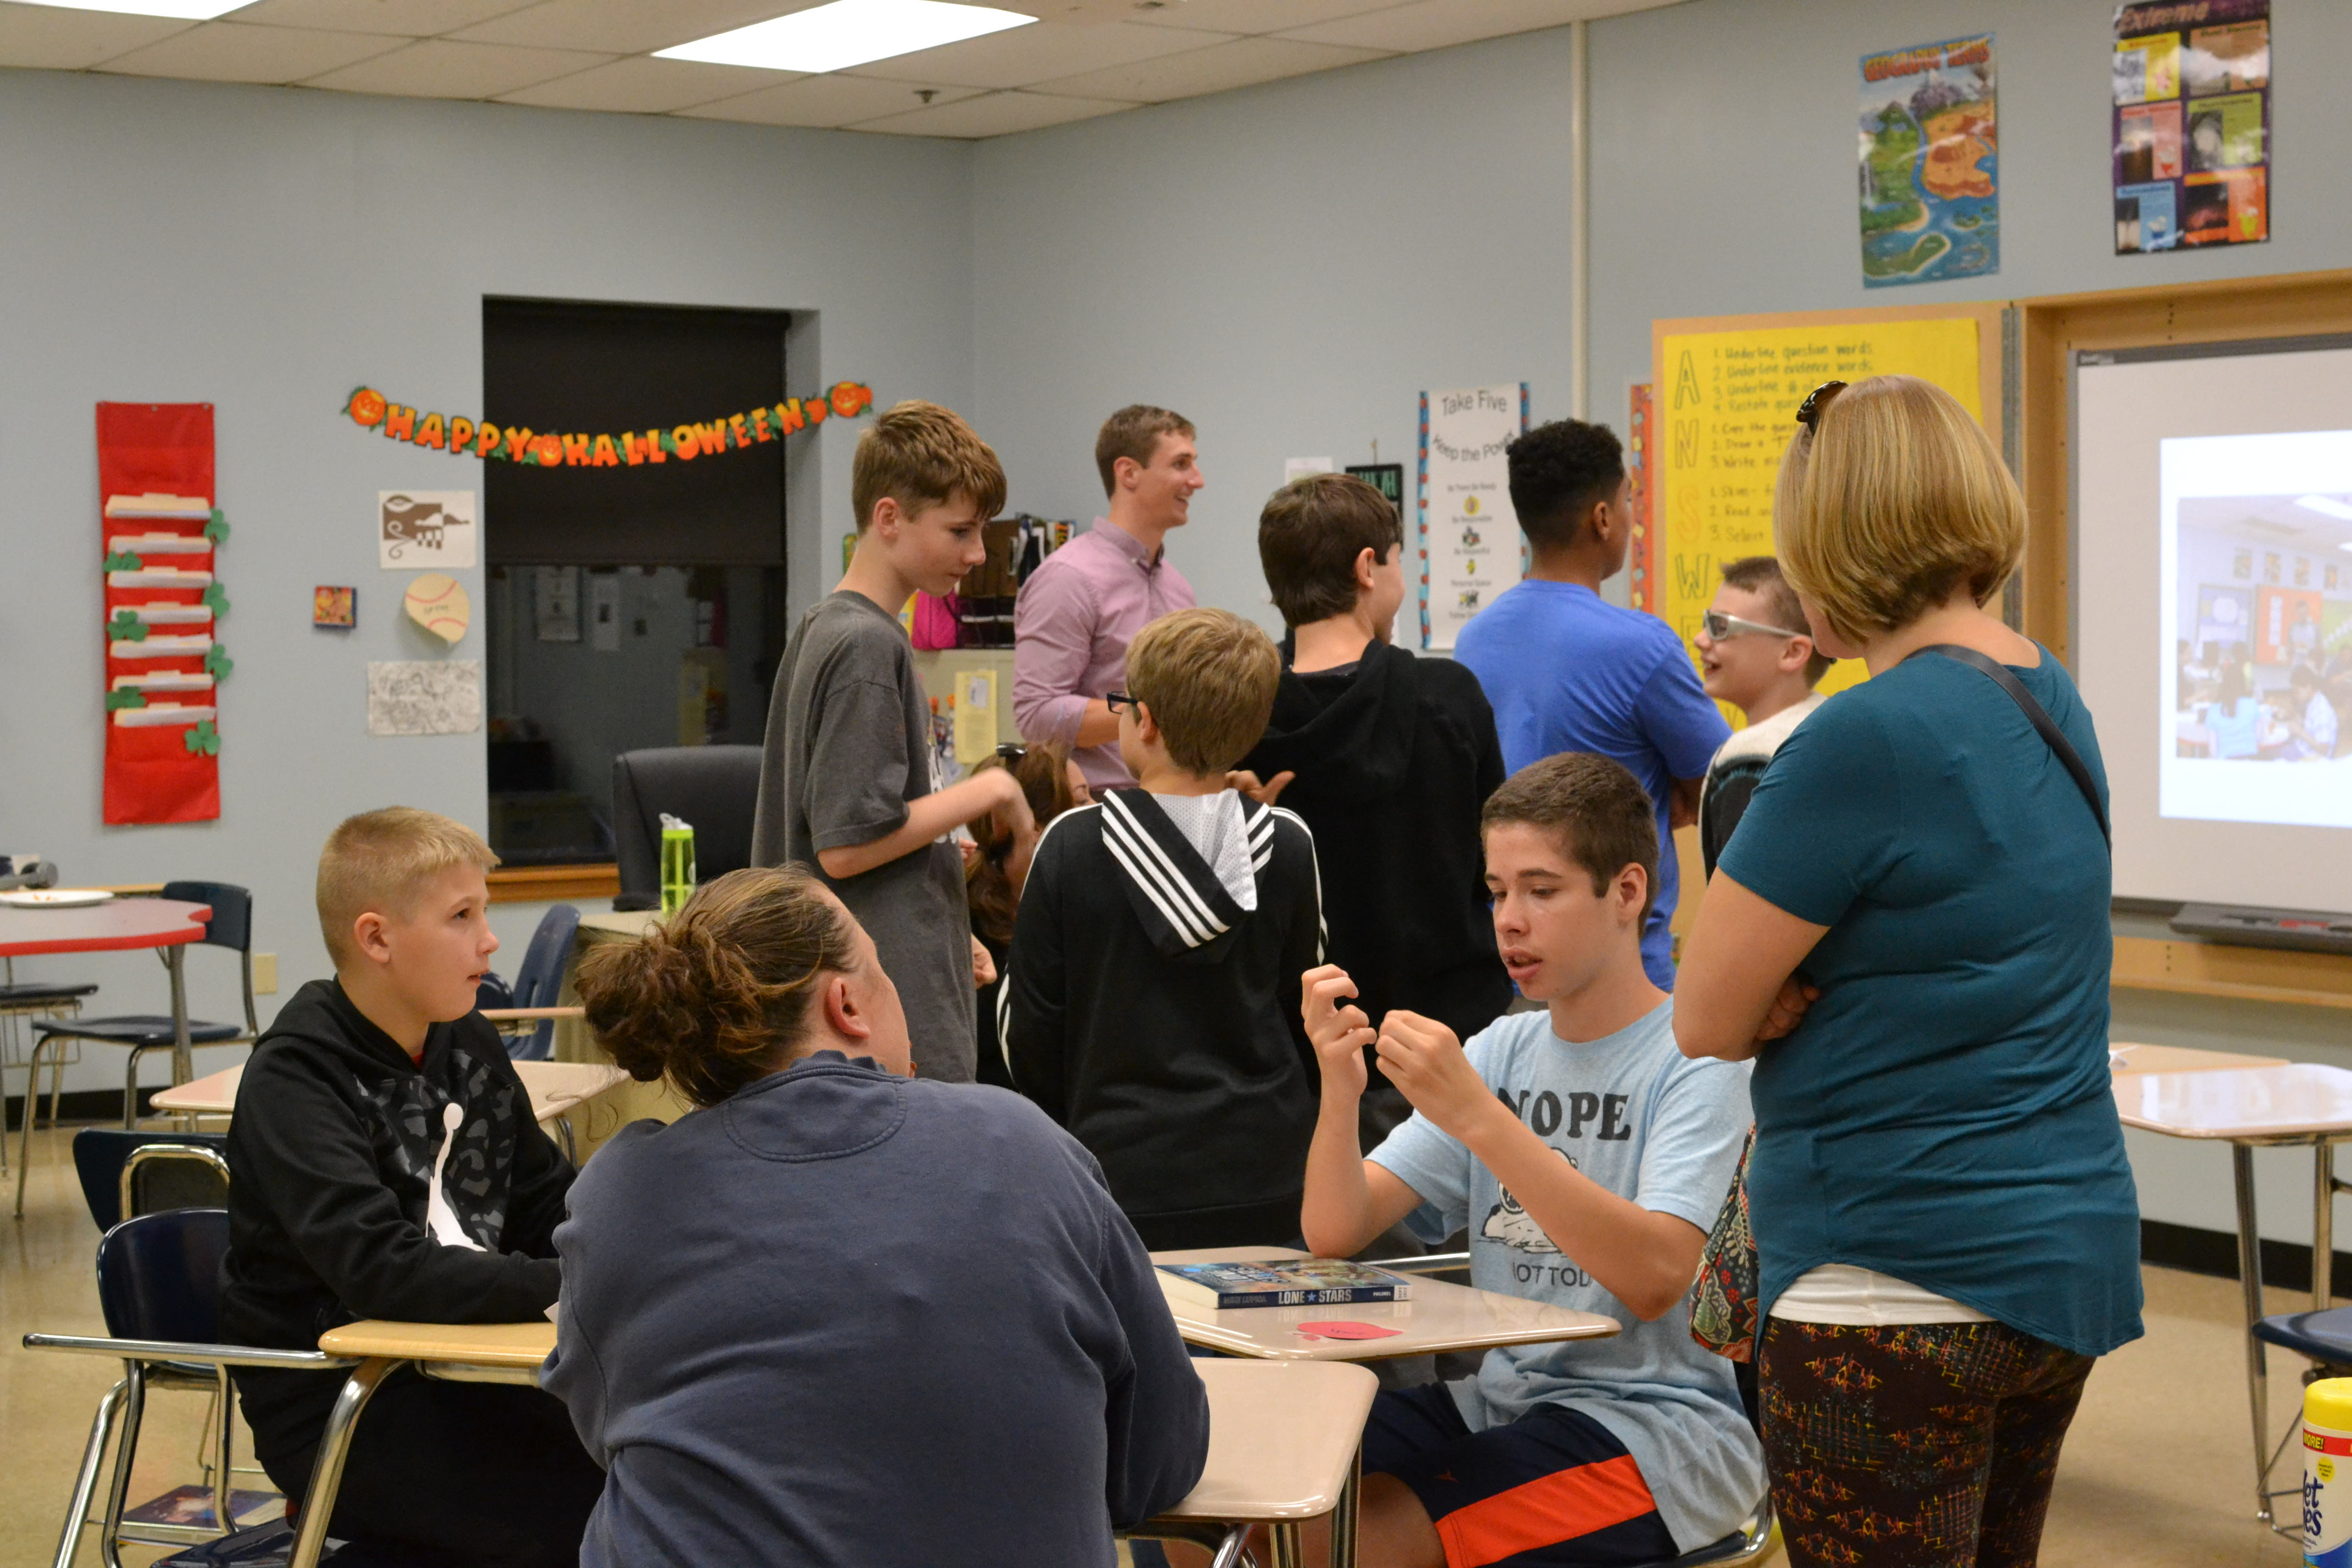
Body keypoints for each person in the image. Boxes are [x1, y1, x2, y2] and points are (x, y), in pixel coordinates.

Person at [1674, 375, 2143, 1565]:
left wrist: (1777, 995)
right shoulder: (2046, 691)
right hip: (2059, 1251)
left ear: (1826, 543)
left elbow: (1703, 1016)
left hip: (1887, 1274)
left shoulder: (1858, 733)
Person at [550, 865, 1209, 1568]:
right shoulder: (1021, 1145)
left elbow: (608, 1430)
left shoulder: (622, 1191)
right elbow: (1159, 1456)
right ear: (848, 1005)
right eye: (883, 967)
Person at [1298, 753, 1762, 1566]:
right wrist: (1339, 1091)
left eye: (1541, 891)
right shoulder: (1505, 1046)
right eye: (1497, 892)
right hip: (1502, 1401)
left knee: (1357, 1543)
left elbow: (1656, 1275)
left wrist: (1482, 1119)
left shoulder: (1698, 1056)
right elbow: (1335, 1227)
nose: (1509, 920)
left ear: (1626, 893)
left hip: (1657, 1431)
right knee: (1229, 1490)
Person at [218, 808, 601, 1568]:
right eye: (462, 916)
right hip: (343, 1404)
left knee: (658, 1462)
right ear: (376, 938)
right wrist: (575, 1281)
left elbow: (547, 1205)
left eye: (483, 912)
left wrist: (625, 1247)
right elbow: (381, 1271)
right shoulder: (296, 1077)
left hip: (470, 1370)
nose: (490, 940)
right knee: (573, 1517)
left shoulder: (467, 1039)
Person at [1004, 607, 1323, 1250]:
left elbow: (1028, 1034)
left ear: (1143, 721)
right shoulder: (1287, 844)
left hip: (1117, 1175)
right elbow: (1310, 1021)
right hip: (1269, 1173)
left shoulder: (1073, 844)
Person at [751, 400, 1033, 1083]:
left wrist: (944, 927)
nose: (976, 554)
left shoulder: (829, 627)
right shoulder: (865, 645)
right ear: (888, 518)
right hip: (870, 1007)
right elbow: (847, 846)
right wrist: (989, 790)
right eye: (959, 531)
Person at [1239, 472, 1510, 1146]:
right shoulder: (1447, 698)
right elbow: (1495, 865)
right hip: (1448, 1043)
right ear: (1368, 567)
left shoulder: (1242, 717)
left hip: (1303, 1053)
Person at [1454, 419, 1729, 989]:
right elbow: (1718, 793)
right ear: (1603, 519)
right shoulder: (1642, 646)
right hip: (1624, 974)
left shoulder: (1473, 640)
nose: (1631, 516)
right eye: (1628, 500)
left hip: (1513, 963)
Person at [1013, 405, 1203, 791]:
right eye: (1181, 464)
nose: (1196, 480)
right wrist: (1140, 712)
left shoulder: (1179, 589)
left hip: (1172, 803)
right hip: (1094, 814)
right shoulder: (1068, 579)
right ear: (1129, 473)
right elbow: (1036, 714)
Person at [1692, 556, 1830, 877]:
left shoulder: (1750, 765)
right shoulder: (1829, 726)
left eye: (1721, 627)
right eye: (1707, 622)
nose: (1701, 640)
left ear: (1792, 652)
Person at [966, 740, 1090, 1088]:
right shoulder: (963, 930)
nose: (1098, 812)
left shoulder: (1081, 909)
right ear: (1023, 826)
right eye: (1082, 802)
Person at [2200, 660, 2264, 758]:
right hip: (2250, 762)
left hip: (2226, 765)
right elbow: (2259, 738)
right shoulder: (2252, 704)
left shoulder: (2213, 710)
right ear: (2243, 683)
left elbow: (2213, 751)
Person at [2286, 662, 2340, 759]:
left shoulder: (2321, 710)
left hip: (2311, 758)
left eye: (2297, 691)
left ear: (2309, 687)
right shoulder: (2313, 702)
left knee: (2270, 755)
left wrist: (2300, 731)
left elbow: (2324, 749)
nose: (2295, 695)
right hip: (2303, 748)